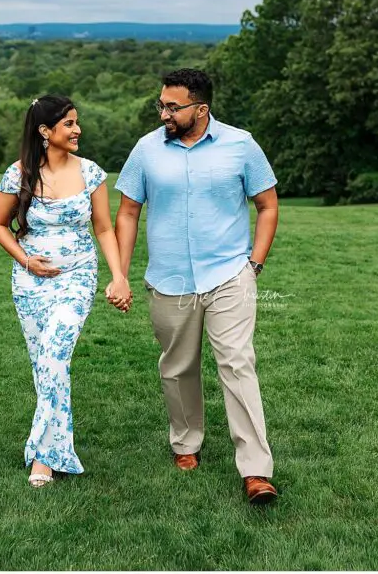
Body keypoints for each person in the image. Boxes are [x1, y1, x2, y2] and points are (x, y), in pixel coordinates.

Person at [107, 68, 281, 505]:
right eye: (161, 104)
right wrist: (121, 274)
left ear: (201, 109)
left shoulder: (241, 144)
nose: (164, 112)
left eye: (173, 106)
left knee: (238, 364)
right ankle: (186, 443)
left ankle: (256, 469)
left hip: (228, 274)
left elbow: (267, 204)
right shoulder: (147, 149)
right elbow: (128, 212)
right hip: (169, 278)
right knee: (178, 365)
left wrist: (253, 264)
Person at [0, 95, 131, 489]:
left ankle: (42, 456)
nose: (77, 130)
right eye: (68, 124)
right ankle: (57, 450)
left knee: (54, 356)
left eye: (76, 122)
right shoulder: (18, 174)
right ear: (44, 132)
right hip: (30, 283)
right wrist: (26, 260)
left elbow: (104, 228)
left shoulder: (91, 173)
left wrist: (118, 276)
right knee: (44, 367)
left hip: (77, 277)